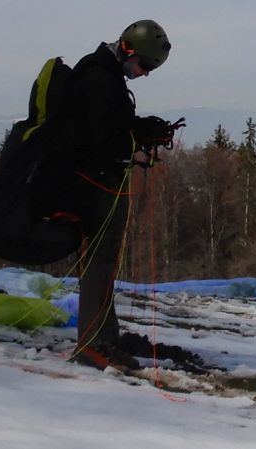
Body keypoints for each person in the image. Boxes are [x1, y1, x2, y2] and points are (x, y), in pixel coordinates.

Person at [58, 19, 183, 371]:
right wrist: (139, 135)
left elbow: (110, 126)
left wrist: (141, 129)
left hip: (92, 182)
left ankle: (104, 336)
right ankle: (93, 344)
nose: (143, 74)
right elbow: (102, 140)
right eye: (144, 66)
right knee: (100, 262)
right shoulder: (100, 79)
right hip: (94, 185)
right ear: (128, 50)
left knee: (102, 263)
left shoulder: (101, 74)